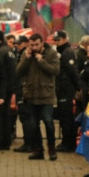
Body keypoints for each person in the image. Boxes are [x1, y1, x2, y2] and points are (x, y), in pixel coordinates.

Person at [15, 33, 60, 161]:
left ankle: (52, 149)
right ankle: (38, 150)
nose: (34, 47)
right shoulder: (26, 53)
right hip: (31, 95)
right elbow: (18, 71)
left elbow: (55, 71)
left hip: (46, 95)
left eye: (36, 45)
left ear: (42, 43)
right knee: (33, 125)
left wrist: (42, 61)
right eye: (32, 45)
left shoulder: (51, 53)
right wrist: (27, 59)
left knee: (48, 123)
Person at [53, 30, 81, 152]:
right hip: (63, 89)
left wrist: (78, 88)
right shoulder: (63, 51)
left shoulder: (67, 52)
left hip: (67, 90)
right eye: (56, 40)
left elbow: (73, 72)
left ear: (65, 39)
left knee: (67, 117)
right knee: (64, 116)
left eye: (59, 40)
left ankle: (68, 143)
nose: (57, 42)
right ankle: (66, 141)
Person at [0, 30, 17, 150]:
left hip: (1, 88)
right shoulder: (10, 51)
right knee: (6, 116)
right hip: (10, 86)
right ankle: (6, 141)